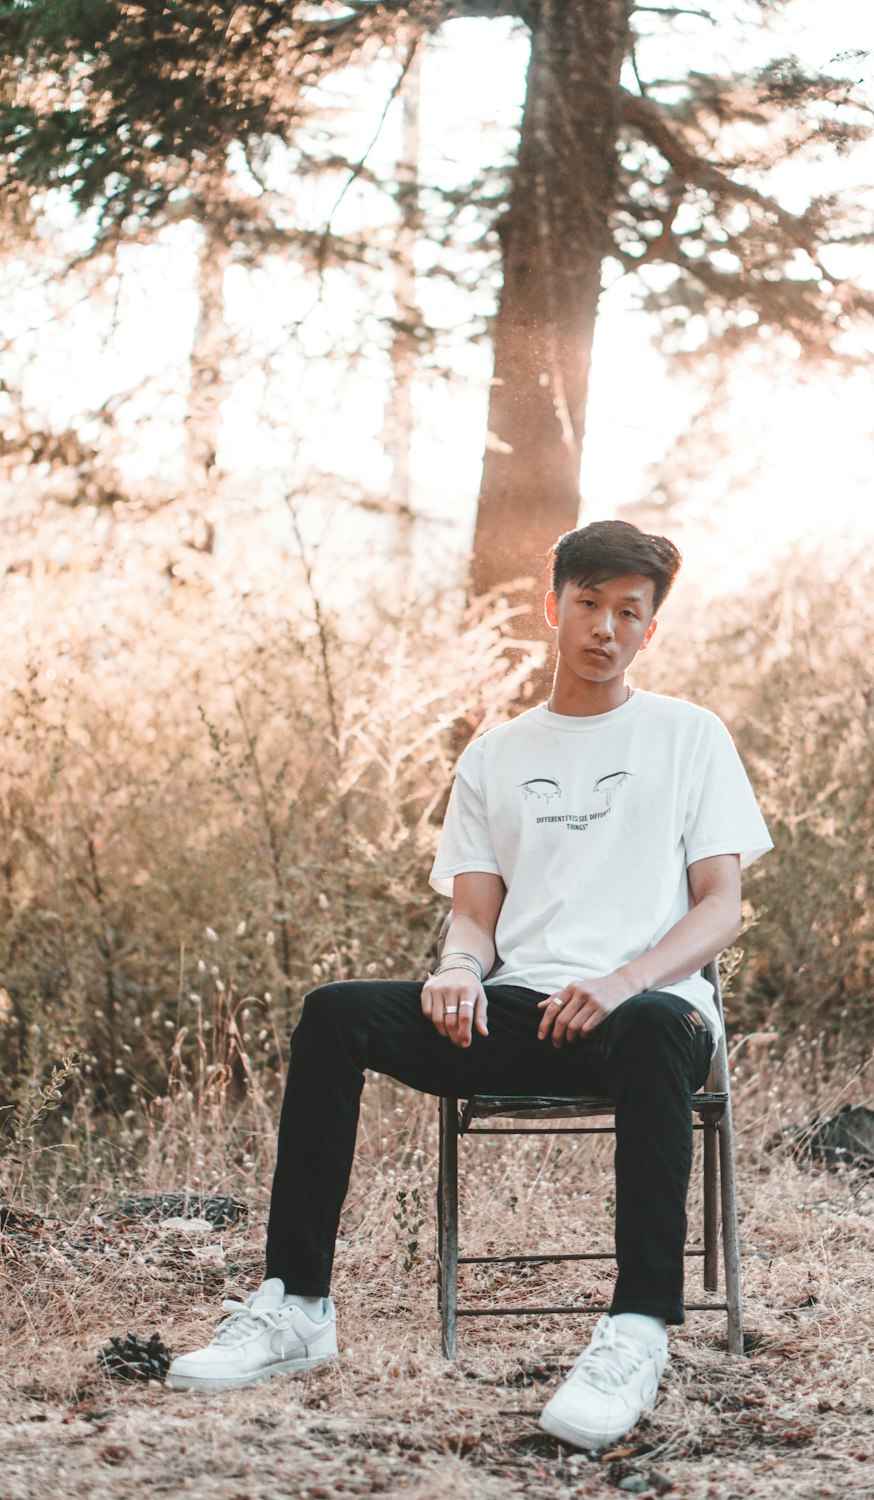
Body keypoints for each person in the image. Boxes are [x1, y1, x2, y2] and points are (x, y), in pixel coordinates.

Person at [167, 519, 772, 1450]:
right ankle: (296, 1306)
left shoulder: (691, 737)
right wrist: (456, 970)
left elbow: (722, 908)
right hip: (523, 1011)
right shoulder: (494, 756)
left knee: (653, 1024)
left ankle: (636, 1330)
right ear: (552, 608)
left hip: (648, 1018)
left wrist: (624, 981)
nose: (605, 628)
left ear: (650, 629)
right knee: (334, 1013)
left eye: (628, 612)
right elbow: (477, 920)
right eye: (588, 604)